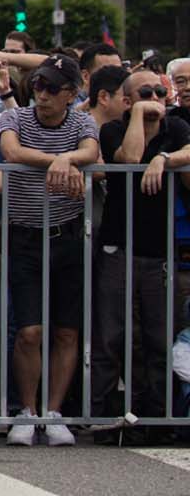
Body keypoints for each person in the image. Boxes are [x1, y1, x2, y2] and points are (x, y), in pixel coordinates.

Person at [0, 52, 99, 446]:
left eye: (52, 88)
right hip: (24, 235)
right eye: (38, 85)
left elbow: (91, 152)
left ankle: (54, 411)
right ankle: (28, 410)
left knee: (66, 331)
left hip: (68, 234)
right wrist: (59, 161)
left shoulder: (81, 120)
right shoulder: (16, 117)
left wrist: (70, 157)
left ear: (72, 93)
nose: (42, 94)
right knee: (28, 331)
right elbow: (14, 151)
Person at [91, 65, 190, 433]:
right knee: (112, 336)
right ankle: (99, 415)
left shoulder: (175, 128)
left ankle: (159, 416)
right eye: (144, 94)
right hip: (118, 247)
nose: (155, 100)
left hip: (159, 250)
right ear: (128, 101)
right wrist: (138, 118)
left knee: (158, 338)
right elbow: (130, 158)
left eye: (159, 93)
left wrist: (164, 159)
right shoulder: (113, 129)